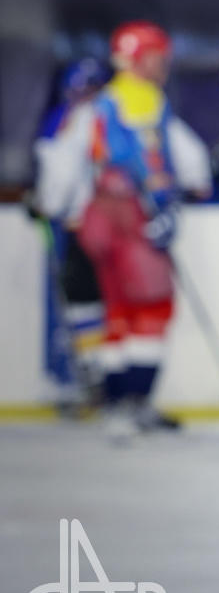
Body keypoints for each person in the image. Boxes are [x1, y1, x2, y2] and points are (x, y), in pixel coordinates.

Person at [44, 23, 212, 440]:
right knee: (150, 310)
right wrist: (180, 194)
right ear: (137, 59)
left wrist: (55, 205)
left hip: (107, 221)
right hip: (130, 219)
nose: (164, 65)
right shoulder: (134, 103)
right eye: (156, 57)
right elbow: (183, 159)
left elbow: (63, 167)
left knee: (119, 312)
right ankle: (130, 401)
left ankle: (121, 403)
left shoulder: (103, 105)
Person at [30, 57, 110, 410]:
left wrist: (45, 204)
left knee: (82, 307)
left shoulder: (77, 119)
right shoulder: (118, 113)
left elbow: (62, 175)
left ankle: (92, 380)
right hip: (121, 229)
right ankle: (113, 383)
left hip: (84, 225)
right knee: (111, 306)